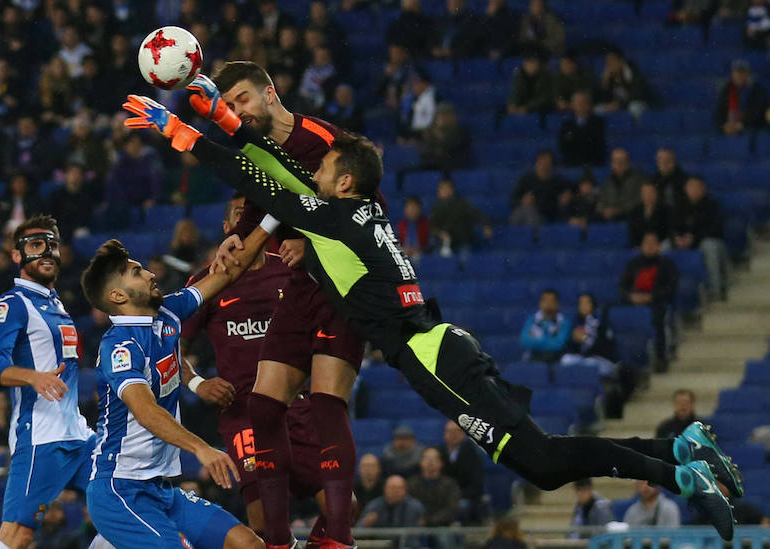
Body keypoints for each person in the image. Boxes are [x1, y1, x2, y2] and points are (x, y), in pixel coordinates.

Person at [123, 91, 741, 541]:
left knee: (544, 463)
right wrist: (224, 117)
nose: (313, 175)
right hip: (443, 346)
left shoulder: (335, 221)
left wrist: (185, 133)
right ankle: (679, 450)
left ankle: (680, 474)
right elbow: (281, 173)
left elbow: (263, 182)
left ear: (344, 184)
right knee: (542, 460)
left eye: (325, 171)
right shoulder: (357, 219)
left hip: (433, 359)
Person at [202, 63, 366, 549]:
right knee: (264, 402)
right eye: (228, 106)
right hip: (304, 281)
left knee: (327, 402)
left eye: (243, 100)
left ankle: (337, 538)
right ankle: (279, 541)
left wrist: (310, 247)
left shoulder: (321, 141)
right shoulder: (254, 147)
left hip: (344, 280)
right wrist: (237, 237)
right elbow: (269, 195)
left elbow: (360, 212)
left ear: (270, 94)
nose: (237, 112)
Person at [80, 233, 272, 549]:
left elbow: (228, 273)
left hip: (160, 489)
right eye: (137, 272)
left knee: (249, 544)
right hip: (119, 489)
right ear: (117, 295)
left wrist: (270, 219)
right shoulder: (120, 347)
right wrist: (202, 448)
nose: (151, 274)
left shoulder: (168, 312)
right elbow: (145, 411)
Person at [180, 195, 329, 540]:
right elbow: (171, 345)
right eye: (241, 215)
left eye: (256, 214)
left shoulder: (291, 266)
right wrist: (198, 383)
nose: (250, 221)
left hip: (297, 407)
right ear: (227, 227)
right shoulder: (209, 280)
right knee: (264, 529)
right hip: (243, 413)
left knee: (343, 508)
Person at [0, 215, 100, 549]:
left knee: (122, 499)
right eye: (36, 245)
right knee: (18, 535)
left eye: (52, 245)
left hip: (77, 433)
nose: (47, 252)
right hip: (42, 437)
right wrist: (33, 377)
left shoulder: (56, 304)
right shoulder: (14, 303)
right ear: (17, 256)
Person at [619, 232, 679, 370]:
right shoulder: (633, 263)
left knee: (658, 319)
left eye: (653, 243)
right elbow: (622, 286)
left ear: (659, 246)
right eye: (647, 243)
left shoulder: (666, 264)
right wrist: (631, 296)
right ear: (641, 246)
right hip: (633, 300)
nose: (650, 246)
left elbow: (671, 287)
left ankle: (660, 357)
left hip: (657, 301)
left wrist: (652, 297)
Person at [670, 176, 729, 299]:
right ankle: (667, 288)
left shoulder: (712, 204)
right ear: (686, 189)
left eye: (697, 187)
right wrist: (676, 238)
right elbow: (672, 226)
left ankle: (715, 289)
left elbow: (716, 229)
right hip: (683, 241)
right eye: (690, 187)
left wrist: (694, 238)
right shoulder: (680, 205)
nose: (693, 190)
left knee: (709, 246)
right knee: (664, 246)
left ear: (703, 188)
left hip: (707, 241)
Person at [559, 294, 617, 378]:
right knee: (566, 359)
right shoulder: (575, 323)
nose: (584, 306)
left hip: (600, 359)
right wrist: (575, 340)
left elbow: (608, 347)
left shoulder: (602, 323)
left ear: (593, 305)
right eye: (581, 303)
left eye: (587, 303)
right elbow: (569, 347)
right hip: (582, 359)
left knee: (590, 363)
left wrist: (587, 339)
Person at [438, 421, 486, 522]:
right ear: (444, 434)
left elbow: (476, 485)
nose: (453, 435)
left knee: (461, 507)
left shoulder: (473, 454)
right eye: (450, 432)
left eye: (457, 431)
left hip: (465, 496)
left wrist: (456, 495)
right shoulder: (439, 452)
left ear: (464, 434)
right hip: (443, 495)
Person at [430, 179, 491, 254]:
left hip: (463, 242)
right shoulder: (436, 208)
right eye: (442, 188)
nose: (444, 191)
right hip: (445, 243)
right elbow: (432, 226)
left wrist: (485, 225)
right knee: (437, 258)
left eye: (447, 188)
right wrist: (440, 233)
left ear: (452, 190)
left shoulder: (462, 204)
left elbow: (476, 214)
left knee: (465, 259)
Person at [510, 150, 572, 222]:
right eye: (542, 161)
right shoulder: (526, 179)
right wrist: (523, 201)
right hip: (526, 212)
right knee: (523, 211)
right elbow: (512, 201)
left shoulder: (558, 181)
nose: (545, 164)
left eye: (548, 162)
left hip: (546, 216)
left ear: (551, 164)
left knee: (529, 213)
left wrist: (565, 197)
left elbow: (571, 191)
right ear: (537, 162)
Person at [407, 448, 461, 527]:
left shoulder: (450, 484)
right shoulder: (411, 484)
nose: (430, 462)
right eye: (427, 459)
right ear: (421, 463)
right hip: (417, 525)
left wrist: (429, 521)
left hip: (443, 525)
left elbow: (452, 508)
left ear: (441, 463)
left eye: (434, 459)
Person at [714, 59, 770, 135]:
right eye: (736, 72)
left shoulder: (758, 90)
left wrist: (742, 125)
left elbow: (758, 113)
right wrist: (724, 126)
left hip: (752, 130)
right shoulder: (726, 90)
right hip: (729, 130)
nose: (739, 75)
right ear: (732, 74)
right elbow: (718, 113)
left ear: (747, 74)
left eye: (742, 72)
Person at [520, 290, 572, 364]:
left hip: (556, 358)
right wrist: (549, 339)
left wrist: (537, 339)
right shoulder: (532, 320)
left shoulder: (564, 322)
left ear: (557, 303)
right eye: (545, 300)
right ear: (540, 303)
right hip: (535, 356)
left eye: (551, 301)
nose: (548, 304)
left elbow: (559, 344)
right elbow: (524, 341)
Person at [558, 91, 606, 167]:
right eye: (578, 103)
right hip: (572, 163)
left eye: (583, 102)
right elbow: (563, 145)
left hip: (592, 163)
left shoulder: (598, 122)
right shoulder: (566, 124)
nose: (580, 105)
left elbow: (597, 144)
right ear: (573, 105)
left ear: (588, 105)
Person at [598, 148, 647, 222]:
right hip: (609, 219)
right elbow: (600, 201)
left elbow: (640, 200)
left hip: (630, 218)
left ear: (628, 162)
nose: (618, 163)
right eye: (615, 160)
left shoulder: (639, 179)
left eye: (622, 160)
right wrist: (604, 210)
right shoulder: (607, 182)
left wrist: (619, 210)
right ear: (611, 163)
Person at [357, 475, 424, 528]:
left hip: (407, 543)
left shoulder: (415, 507)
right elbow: (358, 530)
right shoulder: (374, 506)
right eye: (392, 488)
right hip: (380, 543)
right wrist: (366, 523)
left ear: (405, 490)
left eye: (399, 488)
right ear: (385, 489)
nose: (395, 491)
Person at [506, 51, 554, 115]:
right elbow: (516, 92)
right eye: (529, 63)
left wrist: (527, 107)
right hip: (523, 108)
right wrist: (512, 104)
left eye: (534, 63)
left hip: (541, 109)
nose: (532, 66)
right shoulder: (520, 77)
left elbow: (544, 97)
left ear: (538, 65)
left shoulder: (545, 77)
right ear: (524, 64)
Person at [627, 182, 670, 249]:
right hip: (640, 247)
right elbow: (633, 234)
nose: (648, 195)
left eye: (650, 192)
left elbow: (668, 231)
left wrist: (654, 244)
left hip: (660, 246)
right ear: (641, 195)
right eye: (645, 193)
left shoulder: (665, 211)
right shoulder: (635, 212)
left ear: (656, 194)